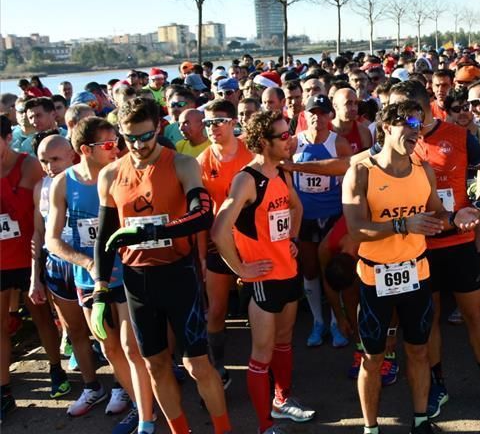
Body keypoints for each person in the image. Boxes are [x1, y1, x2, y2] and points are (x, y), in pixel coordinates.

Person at [93, 98, 231, 434]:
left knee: (197, 363)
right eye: (130, 139)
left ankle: (223, 429)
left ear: (158, 128)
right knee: (155, 365)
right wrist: (99, 290)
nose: (139, 146)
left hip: (179, 275)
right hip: (137, 281)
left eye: (146, 136)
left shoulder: (182, 164)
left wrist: (157, 230)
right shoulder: (111, 174)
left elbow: (202, 214)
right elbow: (105, 238)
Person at [342, 100, 480, 434]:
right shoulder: (362, 171)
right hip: (375, 277)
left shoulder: (423, 170)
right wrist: (403, 225)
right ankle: (371, 427)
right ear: (386, 127)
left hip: (416, 274)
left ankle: (421, 421)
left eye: (418, 126)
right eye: (407, 125)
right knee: (373, 360)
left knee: (418, 352)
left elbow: (435, 215)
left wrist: (456, 217)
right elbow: (356, 229)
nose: (415, 133)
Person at [387, 80, 480, 419]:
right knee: (430, 321)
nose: (400, 118)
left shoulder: (457, 135)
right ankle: (438, 384)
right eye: (396, 113)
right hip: (418, 248)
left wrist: (478, 206)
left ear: (424, 106)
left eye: (405, 111)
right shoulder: (396, 144)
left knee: (474, 315)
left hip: (458, 245)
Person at [43, 120, 155, 431]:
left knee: (131, 347)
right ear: (84, 150)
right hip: (88, 279)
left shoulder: (125, 172)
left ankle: (147, 416)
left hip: (128, 274)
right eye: (107, 144)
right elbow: (53, 239)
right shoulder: (64, 183)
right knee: (108, 348)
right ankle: (138, 403)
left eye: (116, 141)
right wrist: (89, 263)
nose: (116, 148)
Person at [212, 110, 315, 433]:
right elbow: (218, 231)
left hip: (288, 272)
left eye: (289, 134)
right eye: (283, 136)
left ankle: (282, 401)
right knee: (261, 354)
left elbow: (295, 207)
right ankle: (264, 425)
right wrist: (240, 267)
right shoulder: (247, 179)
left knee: (284, 342)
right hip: (263, 280)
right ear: (263, 142)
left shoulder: (281, 173)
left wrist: (292, 239)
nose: (290, 140)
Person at [1, 115, 71, 421]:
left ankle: (55, 368)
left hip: (29, 254)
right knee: (0, 325)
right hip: (2, 257)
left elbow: (33, 213)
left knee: (42, 315)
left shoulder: (28, 165)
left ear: (6, 138)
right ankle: (4, 391)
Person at [286, 94, 352, 347]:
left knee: (333, 270)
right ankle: (318, 321)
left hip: (333, 214)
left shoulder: (340, 143)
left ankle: (337, 322)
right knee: (310, 269)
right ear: (305, 115)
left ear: (330, 116)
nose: (318, 117)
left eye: (323, 113)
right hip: (306, 216)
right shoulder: (294, 143)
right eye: (313, 112)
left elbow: (349, 176)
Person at [198, 98, 255, 388]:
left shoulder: (252, 154)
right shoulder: (201, 162)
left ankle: (262, 366)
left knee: (257, 310)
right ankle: (218, 368)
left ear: (234, 122)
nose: (212, 127)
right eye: (207, 122)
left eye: (218, 121)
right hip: (218, 245)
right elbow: (198, 212)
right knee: (217, 309)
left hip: (254, 242)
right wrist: (201, 255)